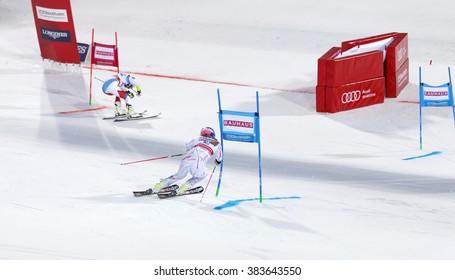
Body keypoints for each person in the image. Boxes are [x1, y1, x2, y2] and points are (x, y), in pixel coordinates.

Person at [152, 127, 223, 195]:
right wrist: (218, 162)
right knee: (201, 175)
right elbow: (219, 156)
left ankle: (159, 186)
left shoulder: (198, 139)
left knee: (179, 175)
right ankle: (184, 187)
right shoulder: (216, 143)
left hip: (188, 156)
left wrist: (189, 151)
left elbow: (186, 147)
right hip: (199, 159)